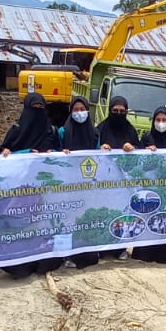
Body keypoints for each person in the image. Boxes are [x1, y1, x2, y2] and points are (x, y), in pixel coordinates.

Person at [0, 93, 62, 278]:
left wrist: (53, 153)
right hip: (21, 188)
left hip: (45, 187)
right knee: (21, 222)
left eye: (41, 108)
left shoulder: (51, 131)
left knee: (42, 220)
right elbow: (3, 155)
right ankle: (19, 263)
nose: (37, 112)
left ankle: (44, 260)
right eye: (34, 108)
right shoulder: (16, 130)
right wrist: (19, 153)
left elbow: (58, 152)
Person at [134, 107, 166, 264]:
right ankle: (144, 252)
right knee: (147, 214)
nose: (161, 123)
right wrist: (145, 152)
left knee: (164, 217)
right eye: (158, 120)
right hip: (149, 187)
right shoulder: (147, 138)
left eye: (164, 120)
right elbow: (137, 162)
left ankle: (164, 253)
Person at [58, 96, 100, 269]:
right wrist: (62, 152)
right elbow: (55, 153)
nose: (79, 113)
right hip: (68, 184)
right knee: (70, 217)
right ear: (70, 112)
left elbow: (98, 156)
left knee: (86, 215)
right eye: (76, 110)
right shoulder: (62, 132)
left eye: (82, 109)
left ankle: (88, 251)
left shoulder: (95, 133)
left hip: (88, 183)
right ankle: (67, 254)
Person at [96, 96, 138, 259]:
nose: (118, 114)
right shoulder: (101, 129)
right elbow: (91, 150)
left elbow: (139, 154)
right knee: (104, 210)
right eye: (115, 111)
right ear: (110, 110)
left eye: (122, 111)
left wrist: (132, 148)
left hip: (123, 182)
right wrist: (99, 148)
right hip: (104, 181)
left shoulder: (131, 131)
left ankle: (120, 248)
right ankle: (101, 246)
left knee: (121, 211)